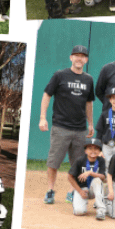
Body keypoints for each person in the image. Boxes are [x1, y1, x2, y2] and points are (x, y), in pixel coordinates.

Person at [40, 44, 94, 205]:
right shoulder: (60, 75)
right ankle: (50, 190)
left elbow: (89, 103)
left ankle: (72, 191)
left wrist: (90, 123)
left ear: (86, 60)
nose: (79, 58)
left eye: (82, 56)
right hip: (61, 126)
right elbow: (47, 95)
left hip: (80, 129)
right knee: (54, 161)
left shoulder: (88, 79)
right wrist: (43, 117)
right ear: (71, 58)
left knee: (78, 163)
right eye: (76, 55)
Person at [67, 137, 107, 219]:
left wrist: (90, 172)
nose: (93, 151)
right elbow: (70, 177)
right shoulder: (80, 160)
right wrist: (80, 191)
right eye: (90, 148)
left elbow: (103, 177)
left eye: (96, 148)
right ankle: (78, 199)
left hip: (95, 189)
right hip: (82, 189)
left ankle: (101, 211)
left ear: (100, 151)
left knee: (97, 180)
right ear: (85, 151)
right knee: (79, 212)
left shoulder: (101, 161)